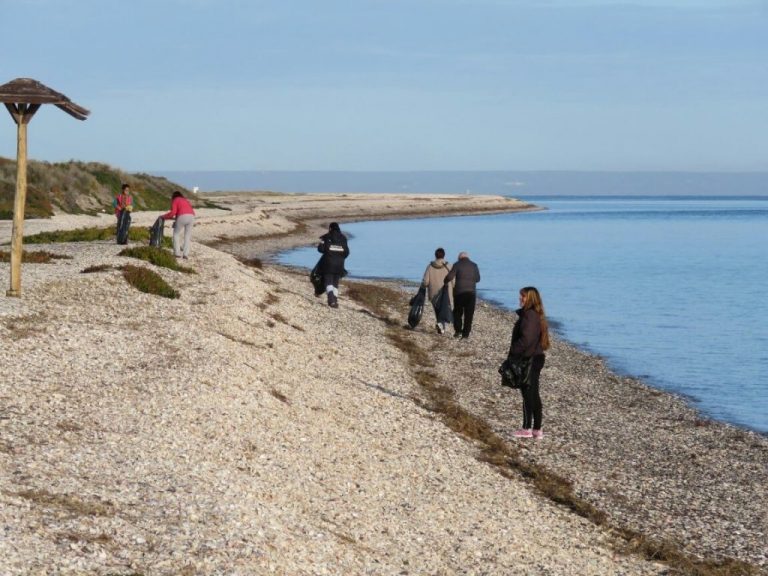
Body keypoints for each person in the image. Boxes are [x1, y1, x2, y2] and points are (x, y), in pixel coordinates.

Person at [508, 286, 550, 439]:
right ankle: (537, 429)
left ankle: (527, 428)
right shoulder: (534, 315)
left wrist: (515, 352)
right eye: (520, 296)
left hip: (530, 359)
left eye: (523, 297)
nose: (520, 299)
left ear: (530, 299)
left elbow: (527, 339)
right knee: (532, 393)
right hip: (535, 357)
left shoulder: (530, 316)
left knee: (528, 394)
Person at [443, 251, 480, 339]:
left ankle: (458, 331)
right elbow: (478, 279)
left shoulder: (457, 264)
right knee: (469, 314)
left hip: (459, 293)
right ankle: (465, 334)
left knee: (457, 312)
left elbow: (450, 277)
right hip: (471, 293)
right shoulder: (474, 265)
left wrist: (445, 282)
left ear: (459, 258)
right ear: (468, 257)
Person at [316, 222, 350, 308]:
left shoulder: (327, 237)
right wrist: (340, 257)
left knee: (328, 282)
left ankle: (331, 301)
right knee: (335, 283)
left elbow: (320, 249)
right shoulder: (343, 238)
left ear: (330, 228)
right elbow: (346, 252)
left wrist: (322, 245)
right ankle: (335, 300)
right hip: (340, 264)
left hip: (328, 263)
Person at [421, 247, 453, 334]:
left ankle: (440, 324)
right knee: (445, 308)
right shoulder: (449, 266)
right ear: (444, 255)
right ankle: (441, 324)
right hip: (446, 292)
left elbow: (426, 281)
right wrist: (454, 288)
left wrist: (423, 286)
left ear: (435, 255)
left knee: (437, 309)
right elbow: (453, 279)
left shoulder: (430, 266)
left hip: (434, 292)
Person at [161, 191, 196, 259]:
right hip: (192, 216)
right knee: (187, 236)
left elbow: (173, 212)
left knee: (176, 234)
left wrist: (163, 216)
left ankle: (177, 253)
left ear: (173, 196)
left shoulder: (175, 200)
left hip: (182, 216)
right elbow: (183, 211)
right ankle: (185, 254)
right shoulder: (185, 200)